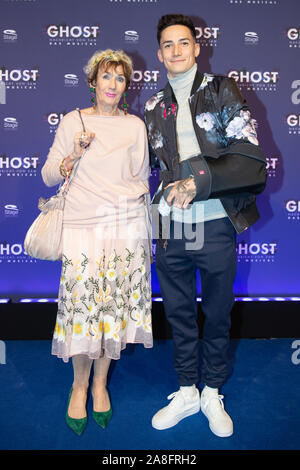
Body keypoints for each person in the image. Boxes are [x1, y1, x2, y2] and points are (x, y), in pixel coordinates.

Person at [144, 14, 267, 437]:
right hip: (173, 229)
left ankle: (212, 390)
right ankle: (186, 390)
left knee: (216, 314)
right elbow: (148, 170)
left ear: (197, 48)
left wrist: (196, 179)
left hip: (215, 224)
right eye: (168, 45)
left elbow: (251, 160)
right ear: (160, 53)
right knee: (178, 314)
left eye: (184, 43)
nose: (176, 51)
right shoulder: (152, 106)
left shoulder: (221, 90)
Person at [41, 49, 152, 435]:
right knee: (84, 309)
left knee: (112, 308)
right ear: (93, 81)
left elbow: (141, 178)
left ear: (126, 86)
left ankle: (101, 384)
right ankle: (79, 385)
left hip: (125, 228)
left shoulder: (135, 126)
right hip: (82, 228)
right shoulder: (74, 121)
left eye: (120, 79)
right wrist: (72, 154)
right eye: (107, 77)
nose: (113, 85)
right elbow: (48, 175)